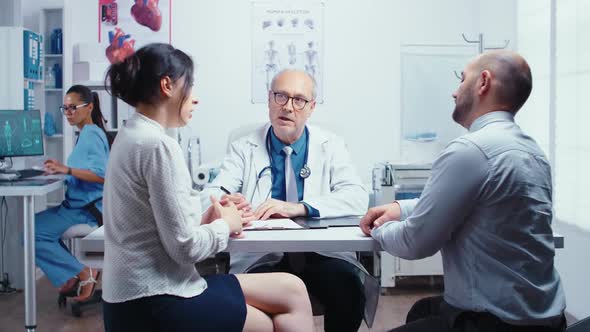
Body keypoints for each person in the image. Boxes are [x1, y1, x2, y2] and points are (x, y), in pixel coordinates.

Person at [101, 43, 313, 332]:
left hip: (132, 297)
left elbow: (162, 229)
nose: (196, 99)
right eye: (190, 87)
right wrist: (226, 224)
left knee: (293, 289)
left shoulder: (131, 135)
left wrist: (207, 218)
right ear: (168, 85)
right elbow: (186, 249)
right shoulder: (158, 146)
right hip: (157, 300)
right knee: (264, 323)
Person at [361, 50, 566, 332]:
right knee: (423, 309)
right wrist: (400, 208)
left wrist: (377, 232)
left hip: (493, 324)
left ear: (483, 82)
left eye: (462, 79)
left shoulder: (470, 150)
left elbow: (415, 242)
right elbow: (468, 202)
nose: (455, 92)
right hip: (546, 319)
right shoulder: (533, 152)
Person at [201, 69, 369, 332]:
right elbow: (209, 195)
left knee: (349, 290)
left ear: (311, 107)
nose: (288, 107)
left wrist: (299, 207)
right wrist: (224, 204)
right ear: (269, 100)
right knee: (251, 306)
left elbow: (358, 197)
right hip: (262, 257)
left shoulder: (331, 145)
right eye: (281, 96)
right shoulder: (243, 147)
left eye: (299, 100)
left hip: (322, 255)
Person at [35, 84, 110, 302]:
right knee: (31, 230)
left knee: (32, 233)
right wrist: (59, 172)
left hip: (86, 211)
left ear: (89, 107)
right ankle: (74, 272)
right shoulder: (85, 134)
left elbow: (102, 175)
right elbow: (84, 171)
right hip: (75, 206)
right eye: (65, 108)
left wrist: (66, 170)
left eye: (73, 108)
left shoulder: (92, 134)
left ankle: (82, 272)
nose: (68, 113)